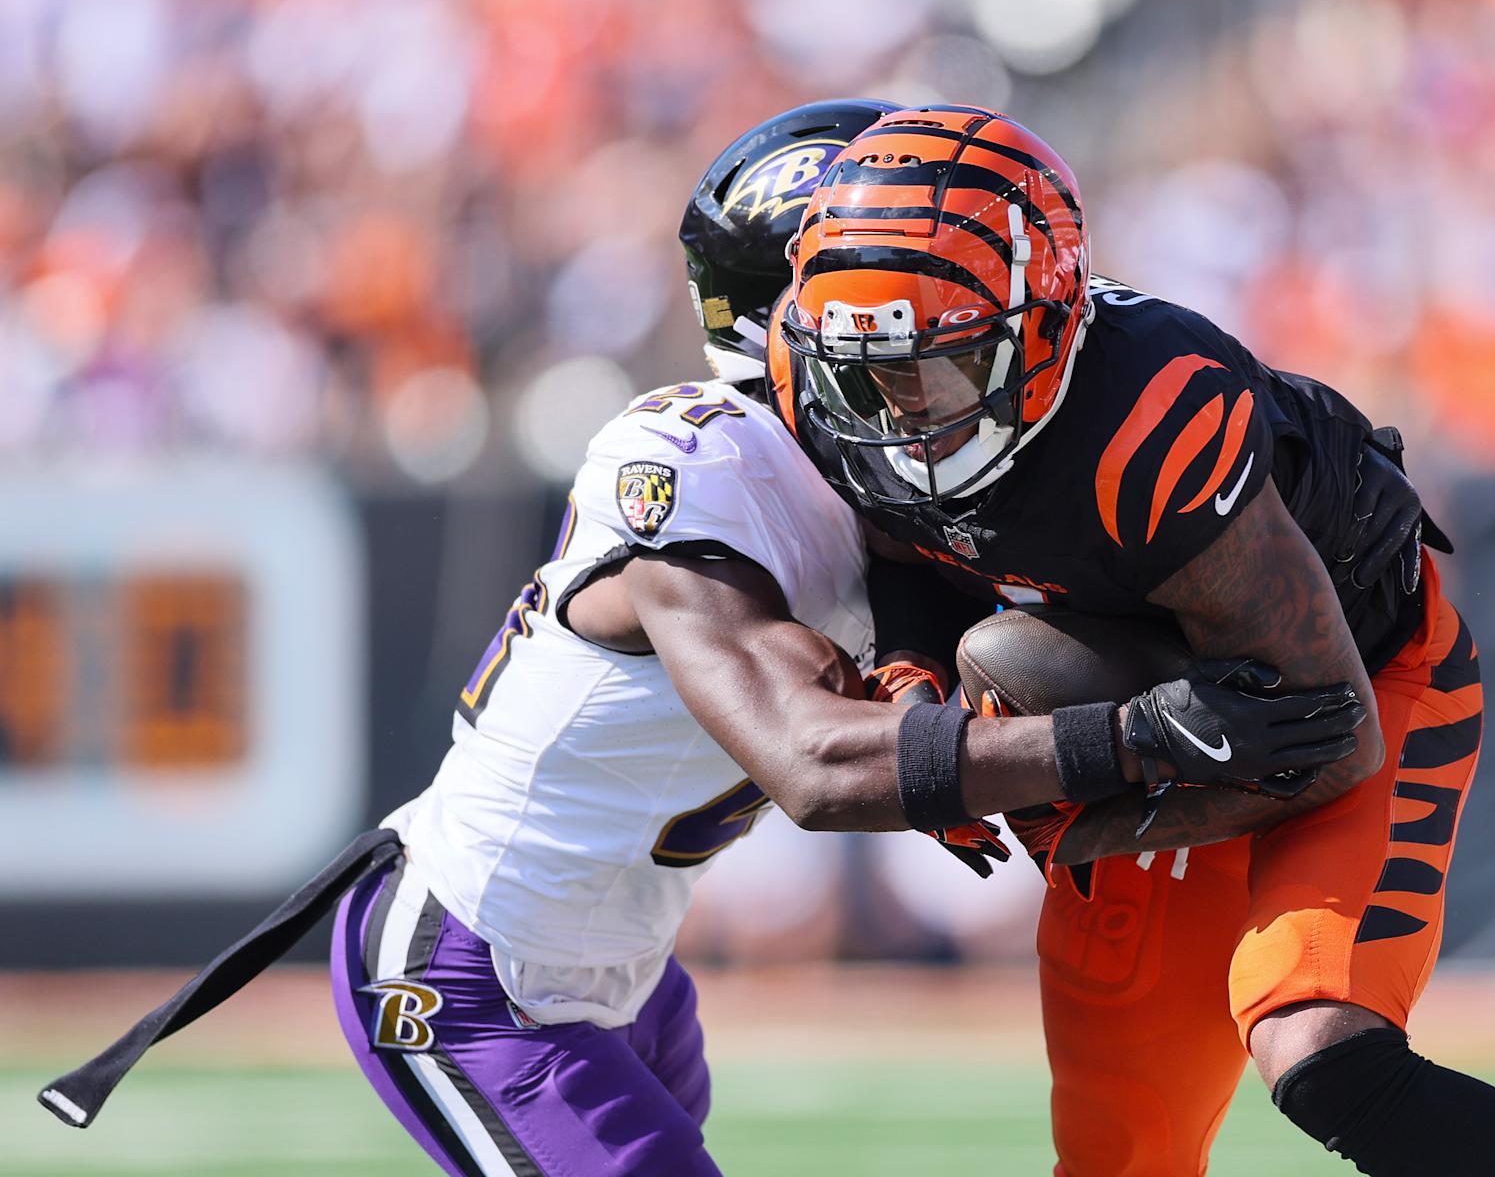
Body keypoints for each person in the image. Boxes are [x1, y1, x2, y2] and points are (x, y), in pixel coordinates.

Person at [38, 102, 1364, 1177]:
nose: (920, 352)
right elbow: (817, 763)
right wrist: (1132, 741)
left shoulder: (898, 474)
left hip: (624, 960)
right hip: (473, 967)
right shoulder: (702, 463)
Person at [766, 104, 1495, 1176]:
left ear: (1042, 327)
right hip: (1150, 717)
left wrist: (1085, 812)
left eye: (947, 364)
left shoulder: (1153, 420)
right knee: (1121, 1147)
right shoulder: (820, 376)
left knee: (1319, 1044)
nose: (906, 410)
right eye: (871, 372)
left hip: (1357, 687)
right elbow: (906, 542)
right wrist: (915, 685)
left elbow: (1327, 734)